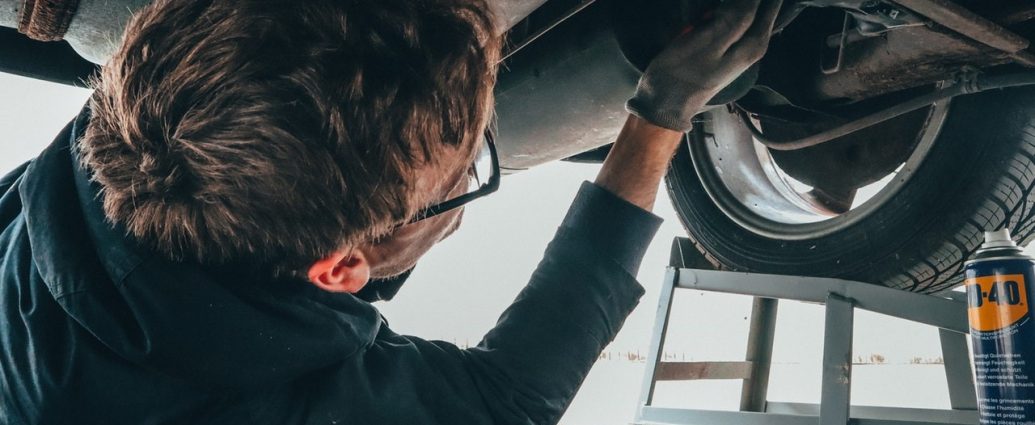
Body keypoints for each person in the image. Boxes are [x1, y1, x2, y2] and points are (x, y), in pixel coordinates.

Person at [0, 0, 781, 423]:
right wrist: (657, 116)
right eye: (463, 173)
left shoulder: (162, 91)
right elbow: (505, 398)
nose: (461, 208)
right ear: (340, 267)